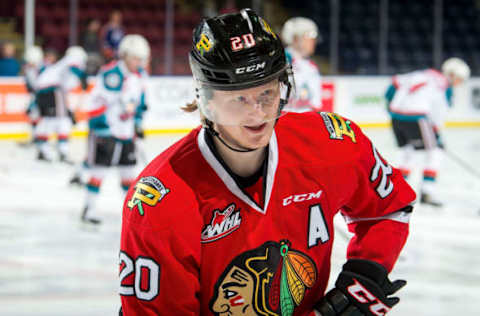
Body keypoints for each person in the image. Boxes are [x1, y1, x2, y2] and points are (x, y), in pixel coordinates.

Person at [119, 9, 415, 315]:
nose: (258, 114)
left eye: (267, 93)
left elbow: (388, 208)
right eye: (239, 99)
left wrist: (363, 279)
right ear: (207, 102)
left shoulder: (331, 144)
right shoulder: (159, 205)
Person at [80, 34, 149, 225]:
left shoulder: (139, 76)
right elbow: (97, 102)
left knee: (128, 174)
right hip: (107, 132)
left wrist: (137, 122)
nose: (139, 62)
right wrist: (101, 125)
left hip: (126, 133)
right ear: (125, 55)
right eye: (135, 58)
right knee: (99, 172)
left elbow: (140, 103)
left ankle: (132, 213)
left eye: (141, 58)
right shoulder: (111, 74)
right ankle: (89, 209)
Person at [385, 58, 470, 207]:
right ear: (452, 75)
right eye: (459, 80)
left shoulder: (422, 74)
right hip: (416, 118)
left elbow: (392, 87)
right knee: (436, 152)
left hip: (396, 117)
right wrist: (436, 135)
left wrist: (392, 107)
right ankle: (427, 192)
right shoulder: (444, 85)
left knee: (408, 151)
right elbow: (439, 113)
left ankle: (395, 192)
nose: (459, 83)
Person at [33, 46, 88, 162]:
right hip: (53, 90)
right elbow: (75, 69)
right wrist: (83, 78)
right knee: (62, 121)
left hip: (44, 91)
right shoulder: (73, 58)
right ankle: (62, 151)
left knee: (47, 120)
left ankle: (43, 149)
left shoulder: (60, 65)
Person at [281, 17, 323, 112]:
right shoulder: (280, 61)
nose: (313, 41)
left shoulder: (312, 68)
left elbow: (315, 105)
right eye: (309, 37)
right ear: (296, 38)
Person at [22, 45, 44, 146]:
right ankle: (36, 136)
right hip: (36, 97)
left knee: (40, 117)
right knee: (33, 116)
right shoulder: (29, 69)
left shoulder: (42, 69)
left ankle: (40, 137)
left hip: (43, 97)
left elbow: (39, 86)